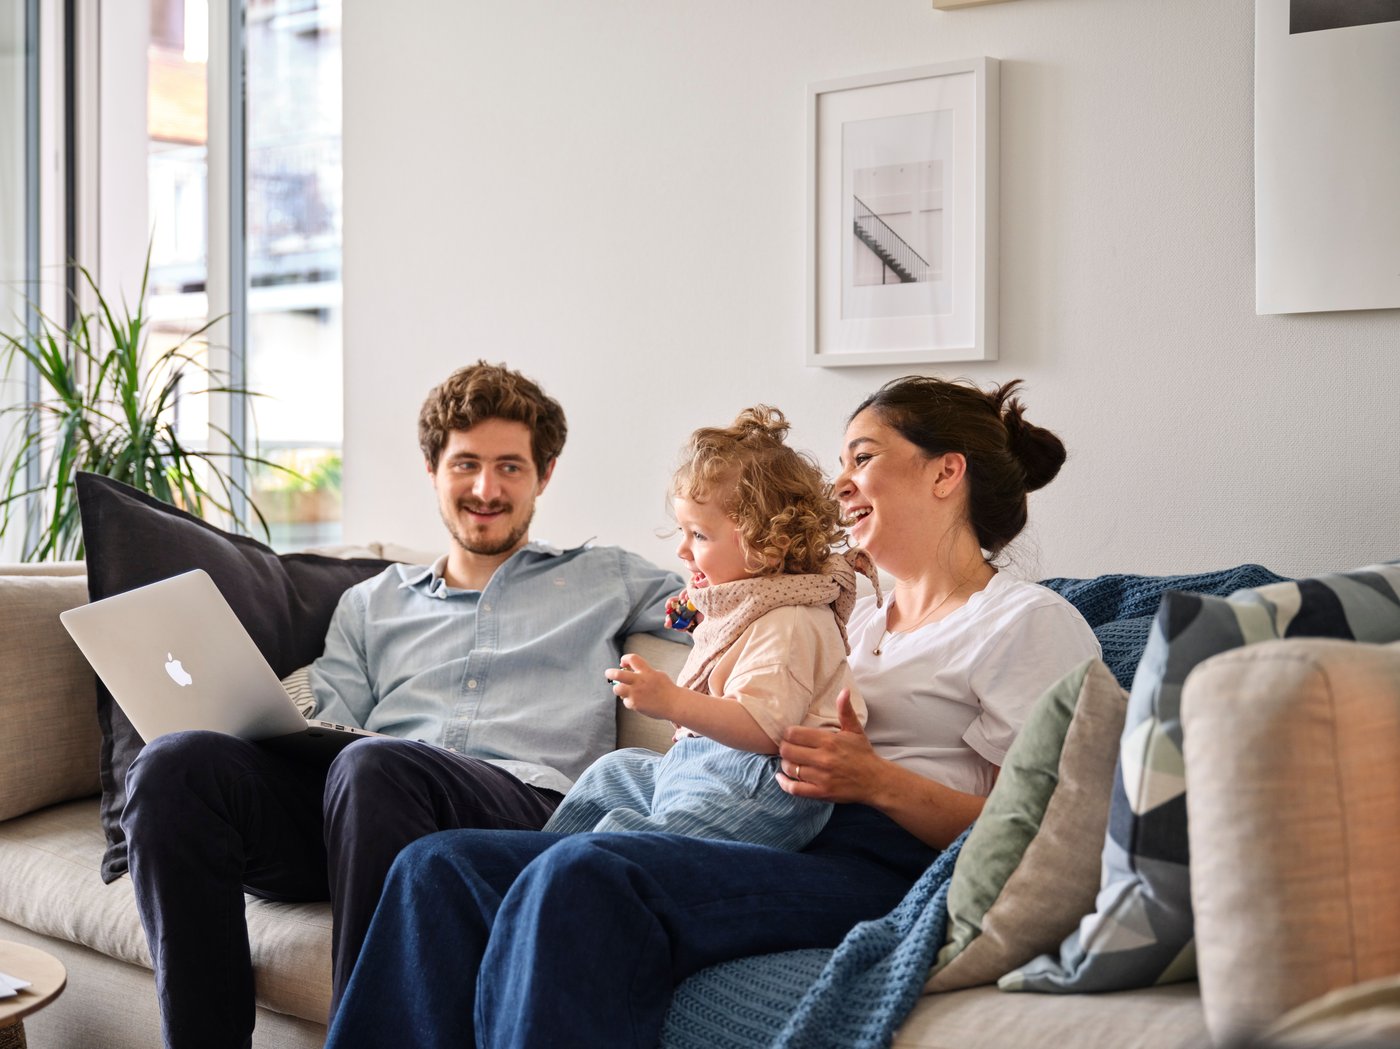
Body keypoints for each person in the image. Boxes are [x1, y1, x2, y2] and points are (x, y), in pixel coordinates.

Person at [324, 376, 1102, 1049]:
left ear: (947, 473)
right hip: (779, 835)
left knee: (586, 874)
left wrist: (878, 782)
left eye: (862, 457)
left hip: (880, 867)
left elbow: (1041, 834)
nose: (840, 484)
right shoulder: (851, 617)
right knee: (439, 865)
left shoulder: (1024, 621)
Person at [119, 361, 686, 1049]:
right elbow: (324, 722)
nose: (486, 488)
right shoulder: (372, 603)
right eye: (466, 463)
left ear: (546, 473)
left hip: (519, 810)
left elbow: (720, 599)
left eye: (510, 466)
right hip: (365, 808)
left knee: (376, 764)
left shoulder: (608, 576)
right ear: (432, 467)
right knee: (174, 763)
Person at [544, 406, 874, 850]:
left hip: (763, 781)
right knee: (613, 771)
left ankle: (575, 869)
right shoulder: (748, 603)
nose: (682, 549)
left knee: (619, 843)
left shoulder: (791, 618)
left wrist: (672, 702)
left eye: (698, 535)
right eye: (683, 531)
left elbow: (764, 729)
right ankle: (537, 864)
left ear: (769, 545)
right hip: (704, 764)